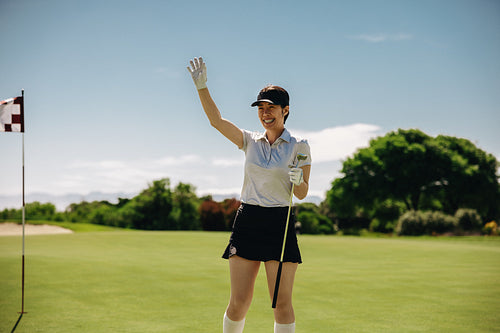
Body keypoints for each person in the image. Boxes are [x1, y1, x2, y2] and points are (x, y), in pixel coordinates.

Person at [187, 57, 311, 333]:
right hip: (248, 219)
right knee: (239, 301)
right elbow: (216, 122)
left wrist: (299, 179)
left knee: (281, 303)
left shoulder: (299, 146)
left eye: (272, 108)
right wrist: (202, 87)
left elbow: (301, 194)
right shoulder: (249, 141)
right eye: (261, 108)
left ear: (285, 110)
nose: (265, 113)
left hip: (280, 221)